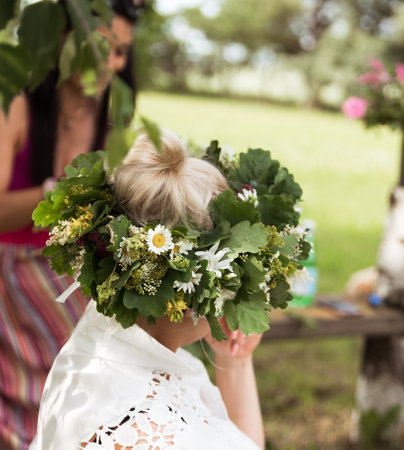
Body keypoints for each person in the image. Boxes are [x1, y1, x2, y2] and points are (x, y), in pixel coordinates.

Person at [30, 130, 265, 449]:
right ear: (189, 285)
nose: (238, 291)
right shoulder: (148, 433)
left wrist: (236, 362)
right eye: (233, 267)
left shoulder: (105, 340)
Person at [0, 1, 144, 448]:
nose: (110, 63)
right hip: (15, 262)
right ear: (62, 42)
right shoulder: (16, 104)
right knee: (81, 343)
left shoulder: (114, 116)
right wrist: (60, 190)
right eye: (100, 47)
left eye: (120, 52)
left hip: (76, 265)